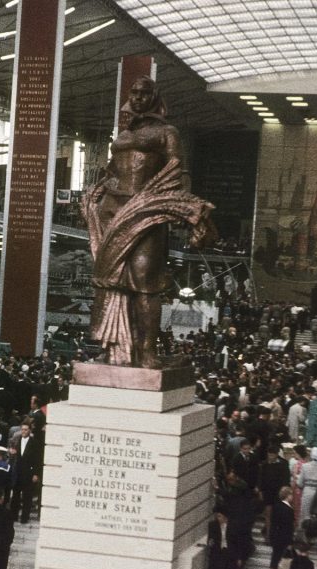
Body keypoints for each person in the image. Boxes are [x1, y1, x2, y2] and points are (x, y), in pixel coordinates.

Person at [83, 75, 215, 367]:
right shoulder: (124, 135)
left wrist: (182, 207)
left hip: (146, 210)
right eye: (135, 92)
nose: (139, 97)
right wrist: (97, 191)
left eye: (145, 93)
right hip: (112, 209)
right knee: (110, 282)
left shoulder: (167, 132)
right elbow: (112, 170)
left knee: (145, 282)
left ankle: (146, 351)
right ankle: (115, 348)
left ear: (155, 97)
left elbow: (178, 171)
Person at [267, 486, 295, 569]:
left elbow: (273, 522)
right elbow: (289, 527)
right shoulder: (289, 510)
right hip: (283, 537)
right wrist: (290, 542)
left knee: (275, 555)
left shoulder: (276, 506)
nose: (292, 496)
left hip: (275, 535)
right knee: (277, 558)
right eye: (291, 494)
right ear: (287, 496)